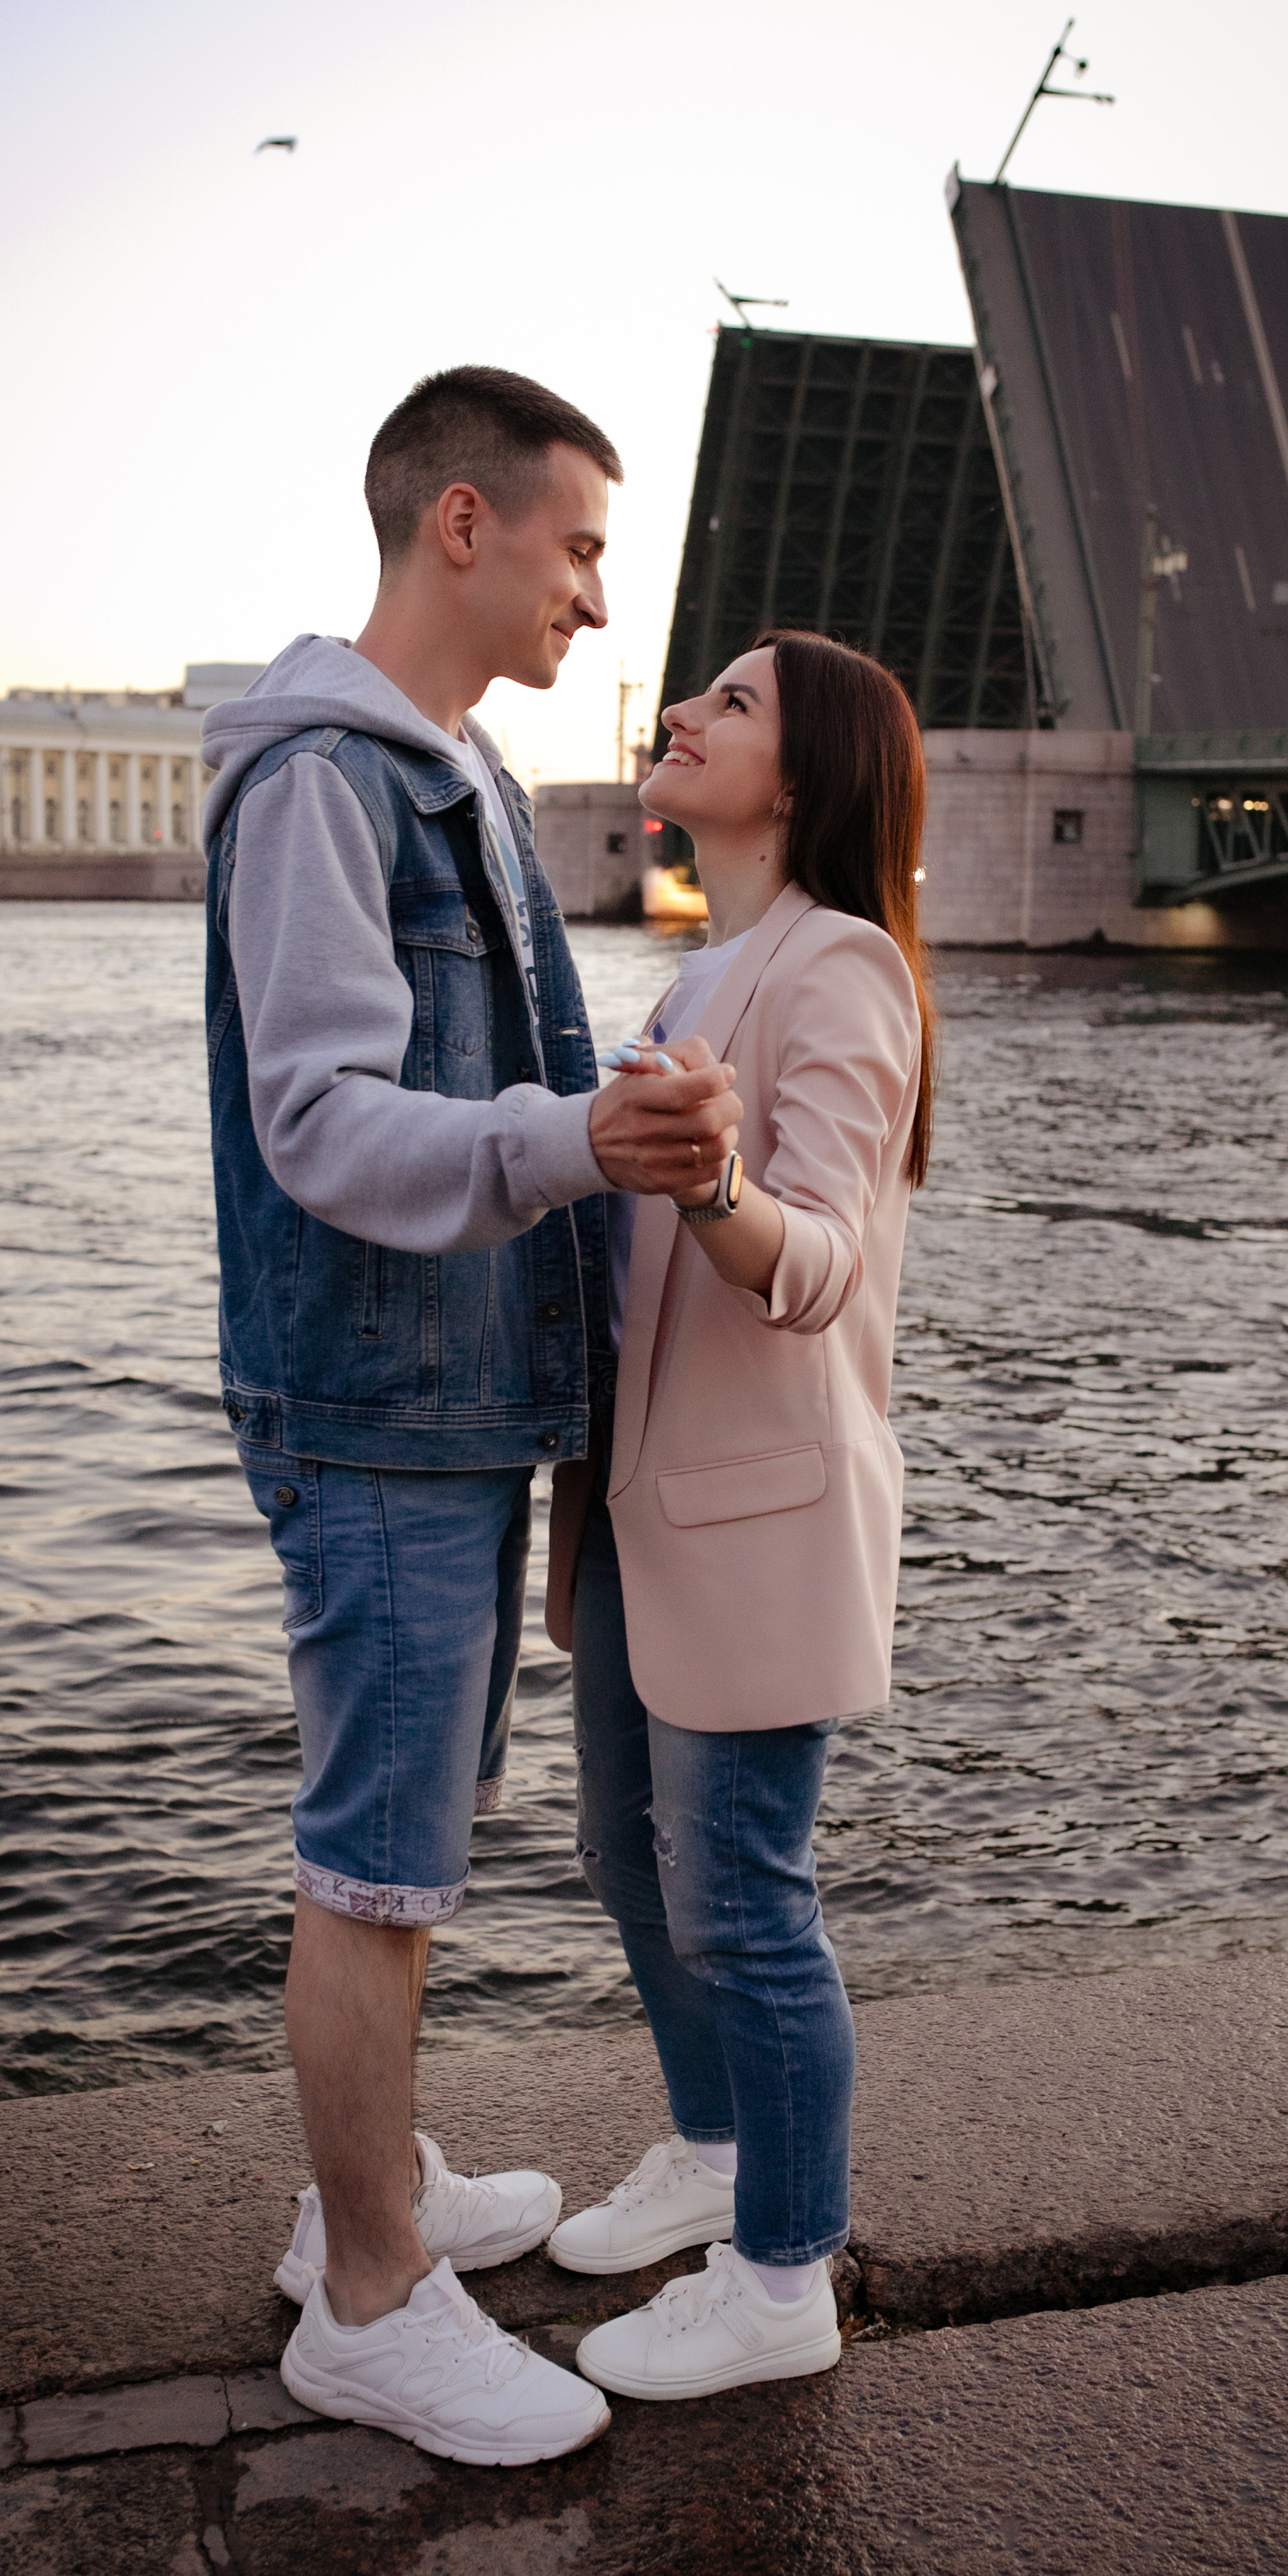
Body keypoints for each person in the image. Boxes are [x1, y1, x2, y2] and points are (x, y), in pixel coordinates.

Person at [201, 366, 742, 2467]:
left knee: (412, 1853)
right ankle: (364, 2303)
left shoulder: (460, 781)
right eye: (581, 545)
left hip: (451, 1398)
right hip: (374, 1401)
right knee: (377, 1872)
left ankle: (375, 2193)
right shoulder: (328, 785)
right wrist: (576, 1143)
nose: (601, 600)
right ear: (460, 523)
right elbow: (323, 1120)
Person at [543, 628, 935, 2399]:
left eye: (733, 701)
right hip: (644, 1504)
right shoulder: (699, 976)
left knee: (745, 1907)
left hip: (761, 1510)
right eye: (693, 690)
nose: (683, 714)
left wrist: (713, 1183)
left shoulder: (841, 967)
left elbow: (828, 1260)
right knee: (629, 1864)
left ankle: (783, 2280)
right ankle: (711, 2161)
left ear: (804, 775)